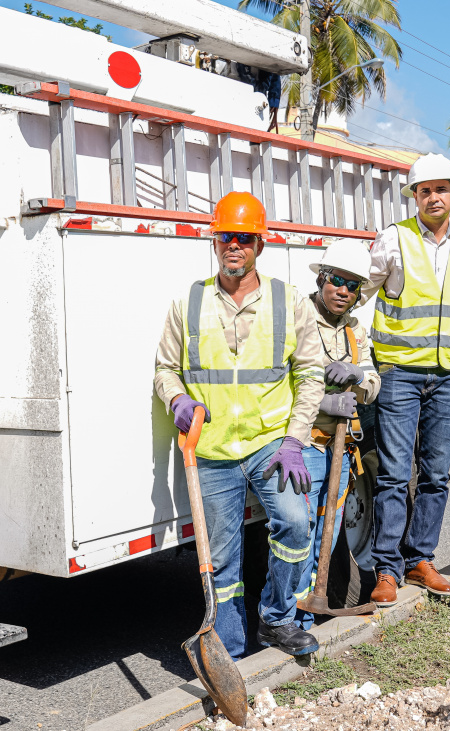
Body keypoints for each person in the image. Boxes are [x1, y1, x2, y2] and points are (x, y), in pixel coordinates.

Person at [153, 191, 326, 657]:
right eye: (227, 236)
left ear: (259, 245)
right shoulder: (188, 302)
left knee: (294, 523)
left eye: (244, 238)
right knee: (222, 559)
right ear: (215, 242)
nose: (235, 245)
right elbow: (165, 369)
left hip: (270, 443)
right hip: (210, 450)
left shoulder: (289, 302)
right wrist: (177, 399)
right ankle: (229, 649)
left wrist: (295, 439)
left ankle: (276, 619)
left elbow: (311, 374)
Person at [361, 153, 450, 605]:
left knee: (434, 474)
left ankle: (419, 559)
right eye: (423, 190)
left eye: (441, 189)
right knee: (393, 475)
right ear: (414, 197)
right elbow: (358, 294)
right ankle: (386, 569)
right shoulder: (394, 239)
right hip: (399, 374)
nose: (433, 197)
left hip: (449, 374)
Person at [293, 241, 381, 630]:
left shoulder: (355, 330)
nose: (344, 291)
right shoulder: (299, 318)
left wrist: (360, 377)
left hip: (341, 450)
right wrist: (323, 405)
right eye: (337, 281)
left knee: (326, 531)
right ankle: (290, 617)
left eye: (353, 286)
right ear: (321, 278)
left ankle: (312, 611)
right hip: (307, 444)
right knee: (300, 530)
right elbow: (280, 383)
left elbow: (373, 381)